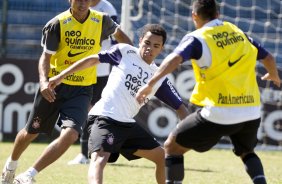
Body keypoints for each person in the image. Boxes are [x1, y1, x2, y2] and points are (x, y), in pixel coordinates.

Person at [135, 0, 281, 184]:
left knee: (172, 146)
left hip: (220, 111)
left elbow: (174, 58)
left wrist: (150, 84)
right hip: (250, 110)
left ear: (194, 16)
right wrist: (274, 75)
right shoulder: (237, 31)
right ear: (218, 15)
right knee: (247, 152)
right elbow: (267, 56)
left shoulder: (198, 37)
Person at [1, 0, 132, 183]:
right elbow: (45, 57)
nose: (82, 3)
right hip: (54, 87)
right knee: (31, 132)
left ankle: (29, 175)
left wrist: (132, 59)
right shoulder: (57, 24)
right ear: (70, 0)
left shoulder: (103, 20)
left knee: (71, 134)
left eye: (86, 0)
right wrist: (44, 82)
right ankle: (11, 165)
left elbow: (124, 40)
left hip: (83, 88)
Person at [48, 24, 189, 184]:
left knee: (162, 158)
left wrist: (187, 133)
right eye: (147, 43)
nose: (150, 48)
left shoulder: (159, 78)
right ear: (140, 40)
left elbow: (181, 107)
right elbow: (92, 60)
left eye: (156, 46)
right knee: (99, 161)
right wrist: (61, 76)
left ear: (161, 49)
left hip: (127, 125)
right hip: (104, 117)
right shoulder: (125, 51)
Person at [68, 0, 119, 165]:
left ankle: (89, 153)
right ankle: (87, 153)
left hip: (100, 70)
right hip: (81, 68)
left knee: (93, 112)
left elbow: (115, 37)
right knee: (85, 111)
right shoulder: (78, 6)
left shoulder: (107, 9)